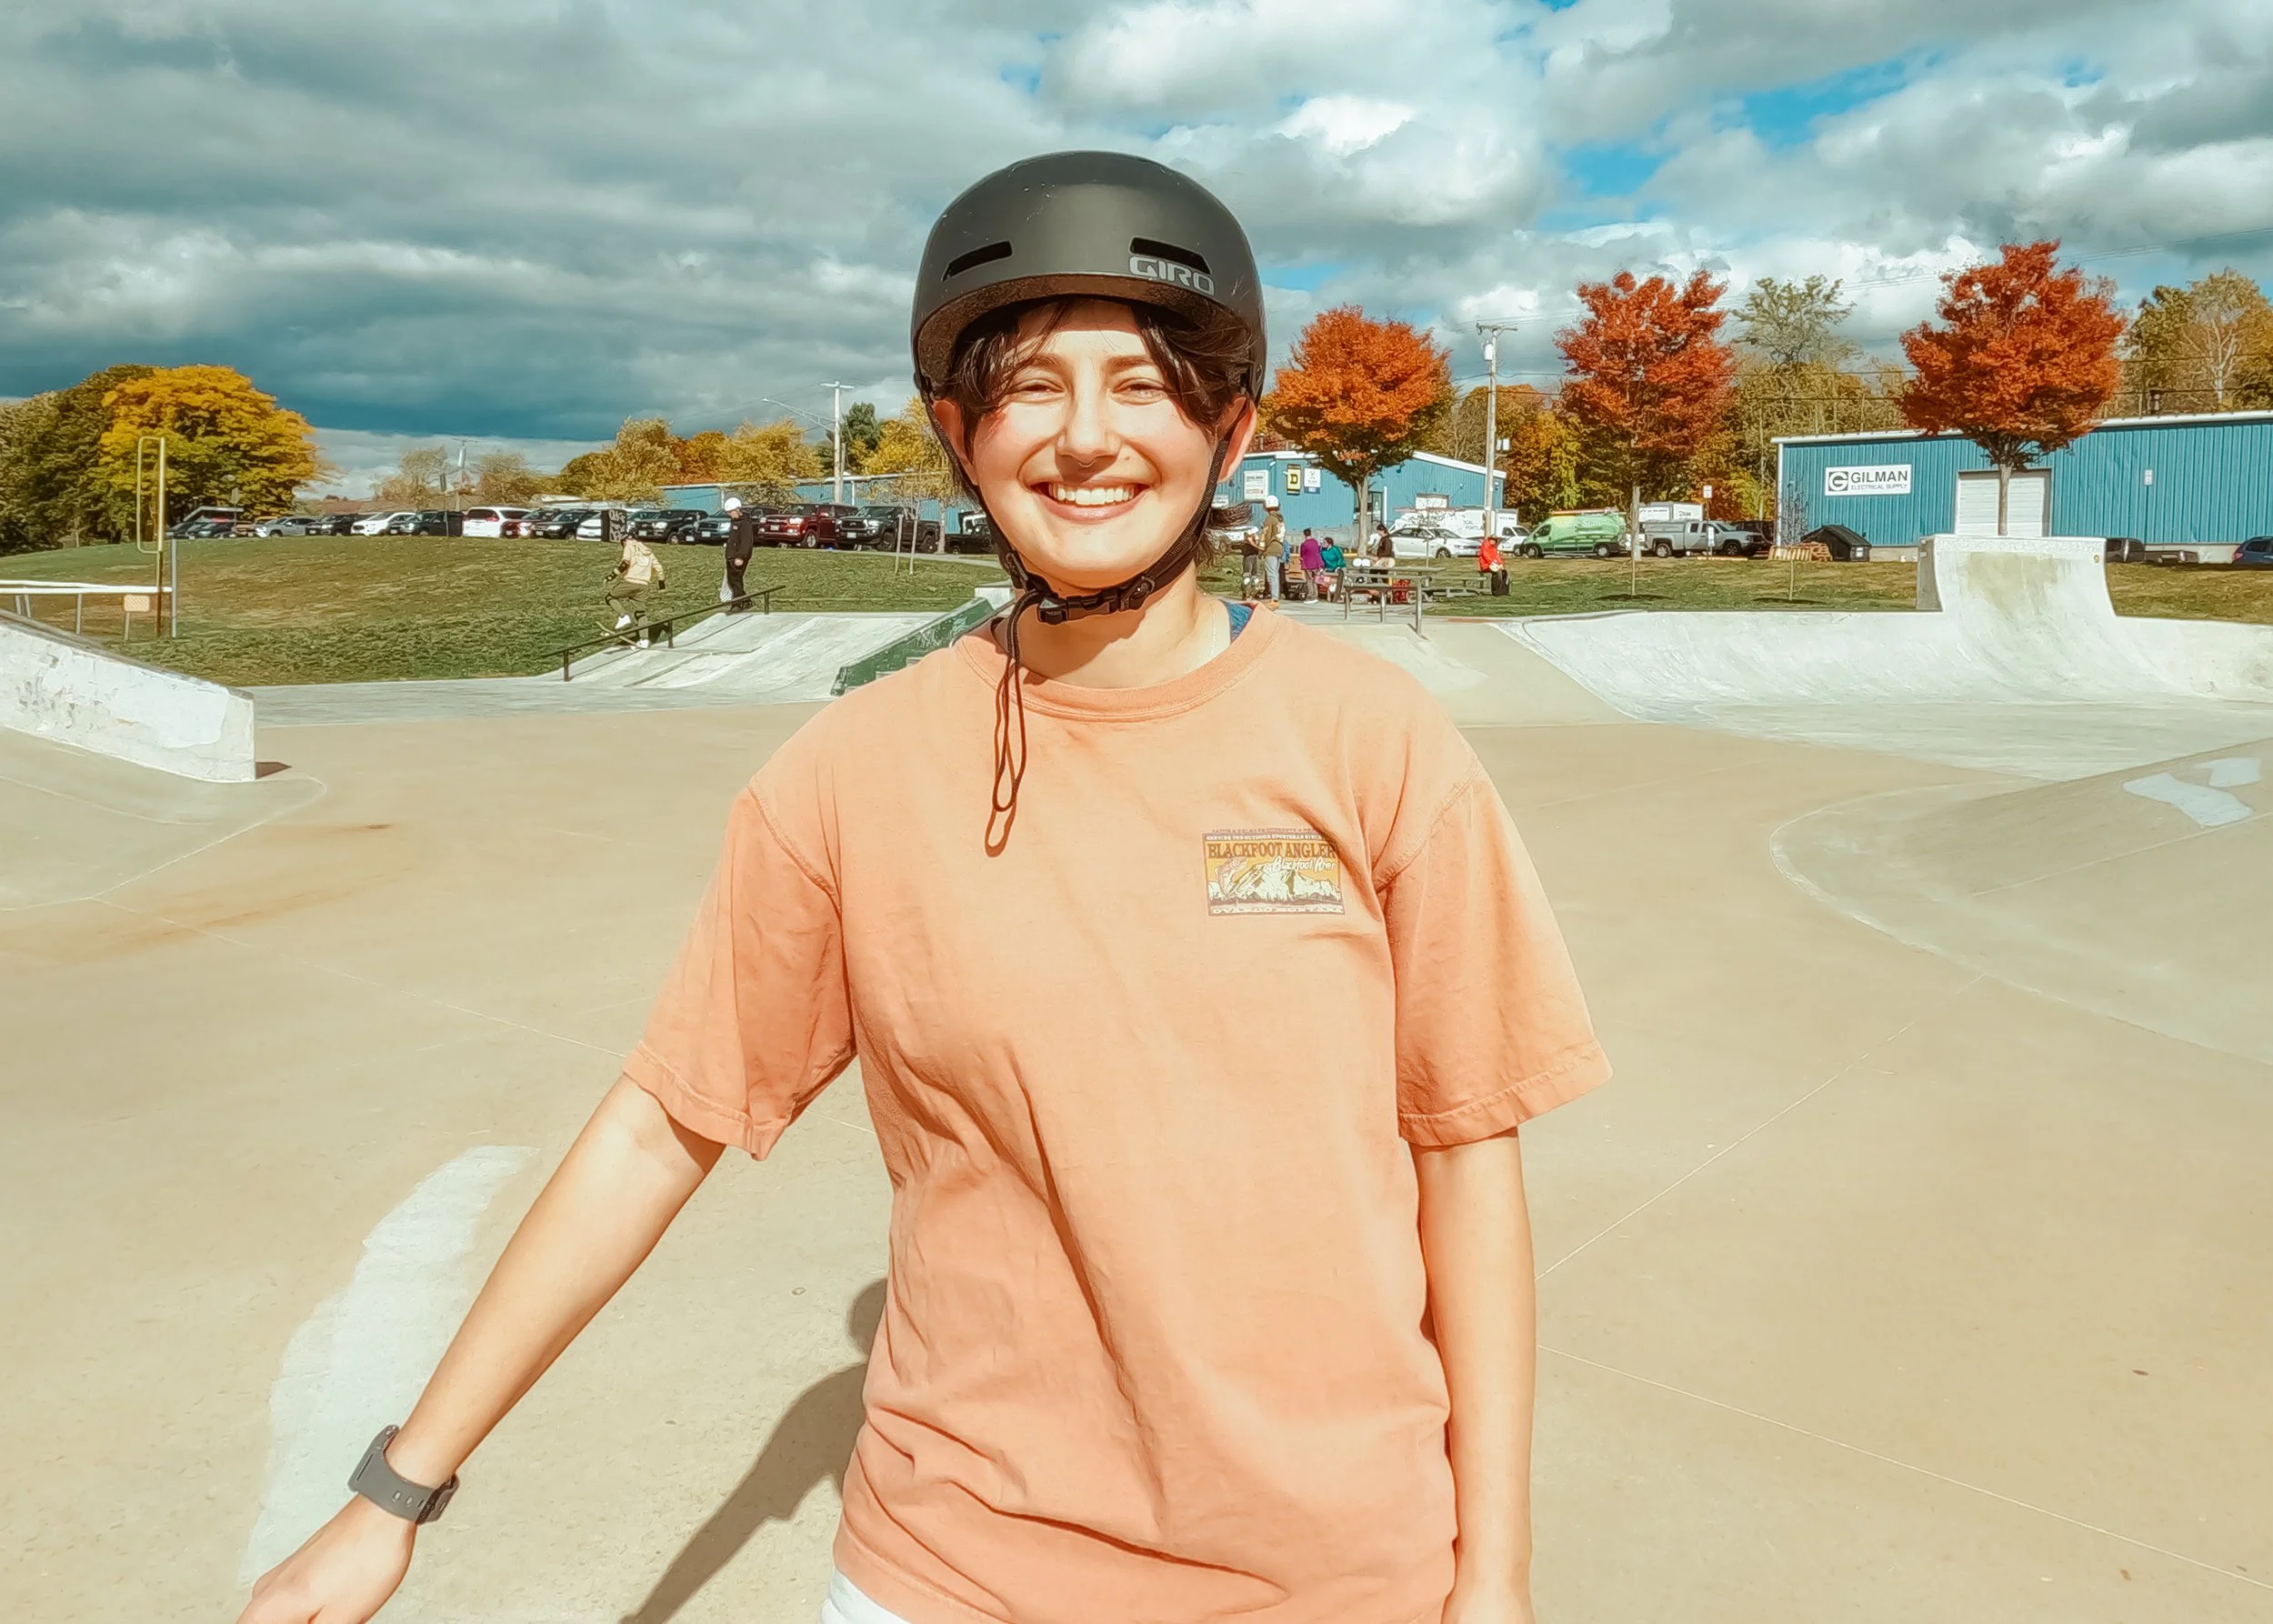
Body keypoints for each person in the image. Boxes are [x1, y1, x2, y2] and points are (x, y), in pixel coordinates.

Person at [240, 150, 1607, 1624]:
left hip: (1335, 1577)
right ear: (961, 432)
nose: (1087, 438)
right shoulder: (850, 774)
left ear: (1231, 431)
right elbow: (661, 1125)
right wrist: (396, 1494)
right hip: (956, 1574)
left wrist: (1498, 1578)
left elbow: (1469, 1163)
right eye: (1032, 388)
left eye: (1143, 384)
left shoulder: (1374, 744)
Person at [606, 523, 667, 647]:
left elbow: (625, 564)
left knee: (610, 597)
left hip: (630, 581)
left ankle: (623, 616)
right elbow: (659, 567)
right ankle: (644, 640)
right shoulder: (648, 551)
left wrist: (611, 576)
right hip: (644, 585)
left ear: (625, 539)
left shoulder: (629, 545)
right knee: (641, 613)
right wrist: (661, 585)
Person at [721, 495, 758, 609]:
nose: (729, 514)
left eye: (730, 512)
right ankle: (746, 600)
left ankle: (737, 604)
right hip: (731, 556)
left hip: (738, 557)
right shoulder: (734, 522)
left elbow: (746, 542)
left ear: (737, 510)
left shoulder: (745, 523)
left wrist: (741, 557)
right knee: (733, 581)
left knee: (736, 580)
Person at [1257, 494, 1286, 601]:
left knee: (1271, 574)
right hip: (1279, 547)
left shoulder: (1270, 519)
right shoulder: (1280, 519)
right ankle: (1275, 596)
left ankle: (1274, 598)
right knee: (1275, 573)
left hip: (1271, 549)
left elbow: (1265, 535)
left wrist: (1260, 550)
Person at [1297, 525, 1325, 599]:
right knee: (1315, 579)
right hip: (1316, 563)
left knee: (1309, 580)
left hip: (1307, 564)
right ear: (1310, 533)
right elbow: (1318, 551)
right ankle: (1316, 594)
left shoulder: (1304, 544)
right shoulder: (1315, 542)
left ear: (1304, 535)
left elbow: (1302, 555)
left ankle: (1311, 594)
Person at [1318, 536, 1345, 601]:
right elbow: (1321, 560)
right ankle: (1328, 597)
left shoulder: (1335, 549)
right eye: (1323, 542)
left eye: (1324, 542)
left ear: (1329, 543)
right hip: (1328, 569)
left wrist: (1338, 566)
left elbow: (1340, 558)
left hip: (1338, 568)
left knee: (1338, 582)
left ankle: (1339, 596)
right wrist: (1322, 567)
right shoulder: (1322, 551)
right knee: (1327, 582)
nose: (1323, 544)